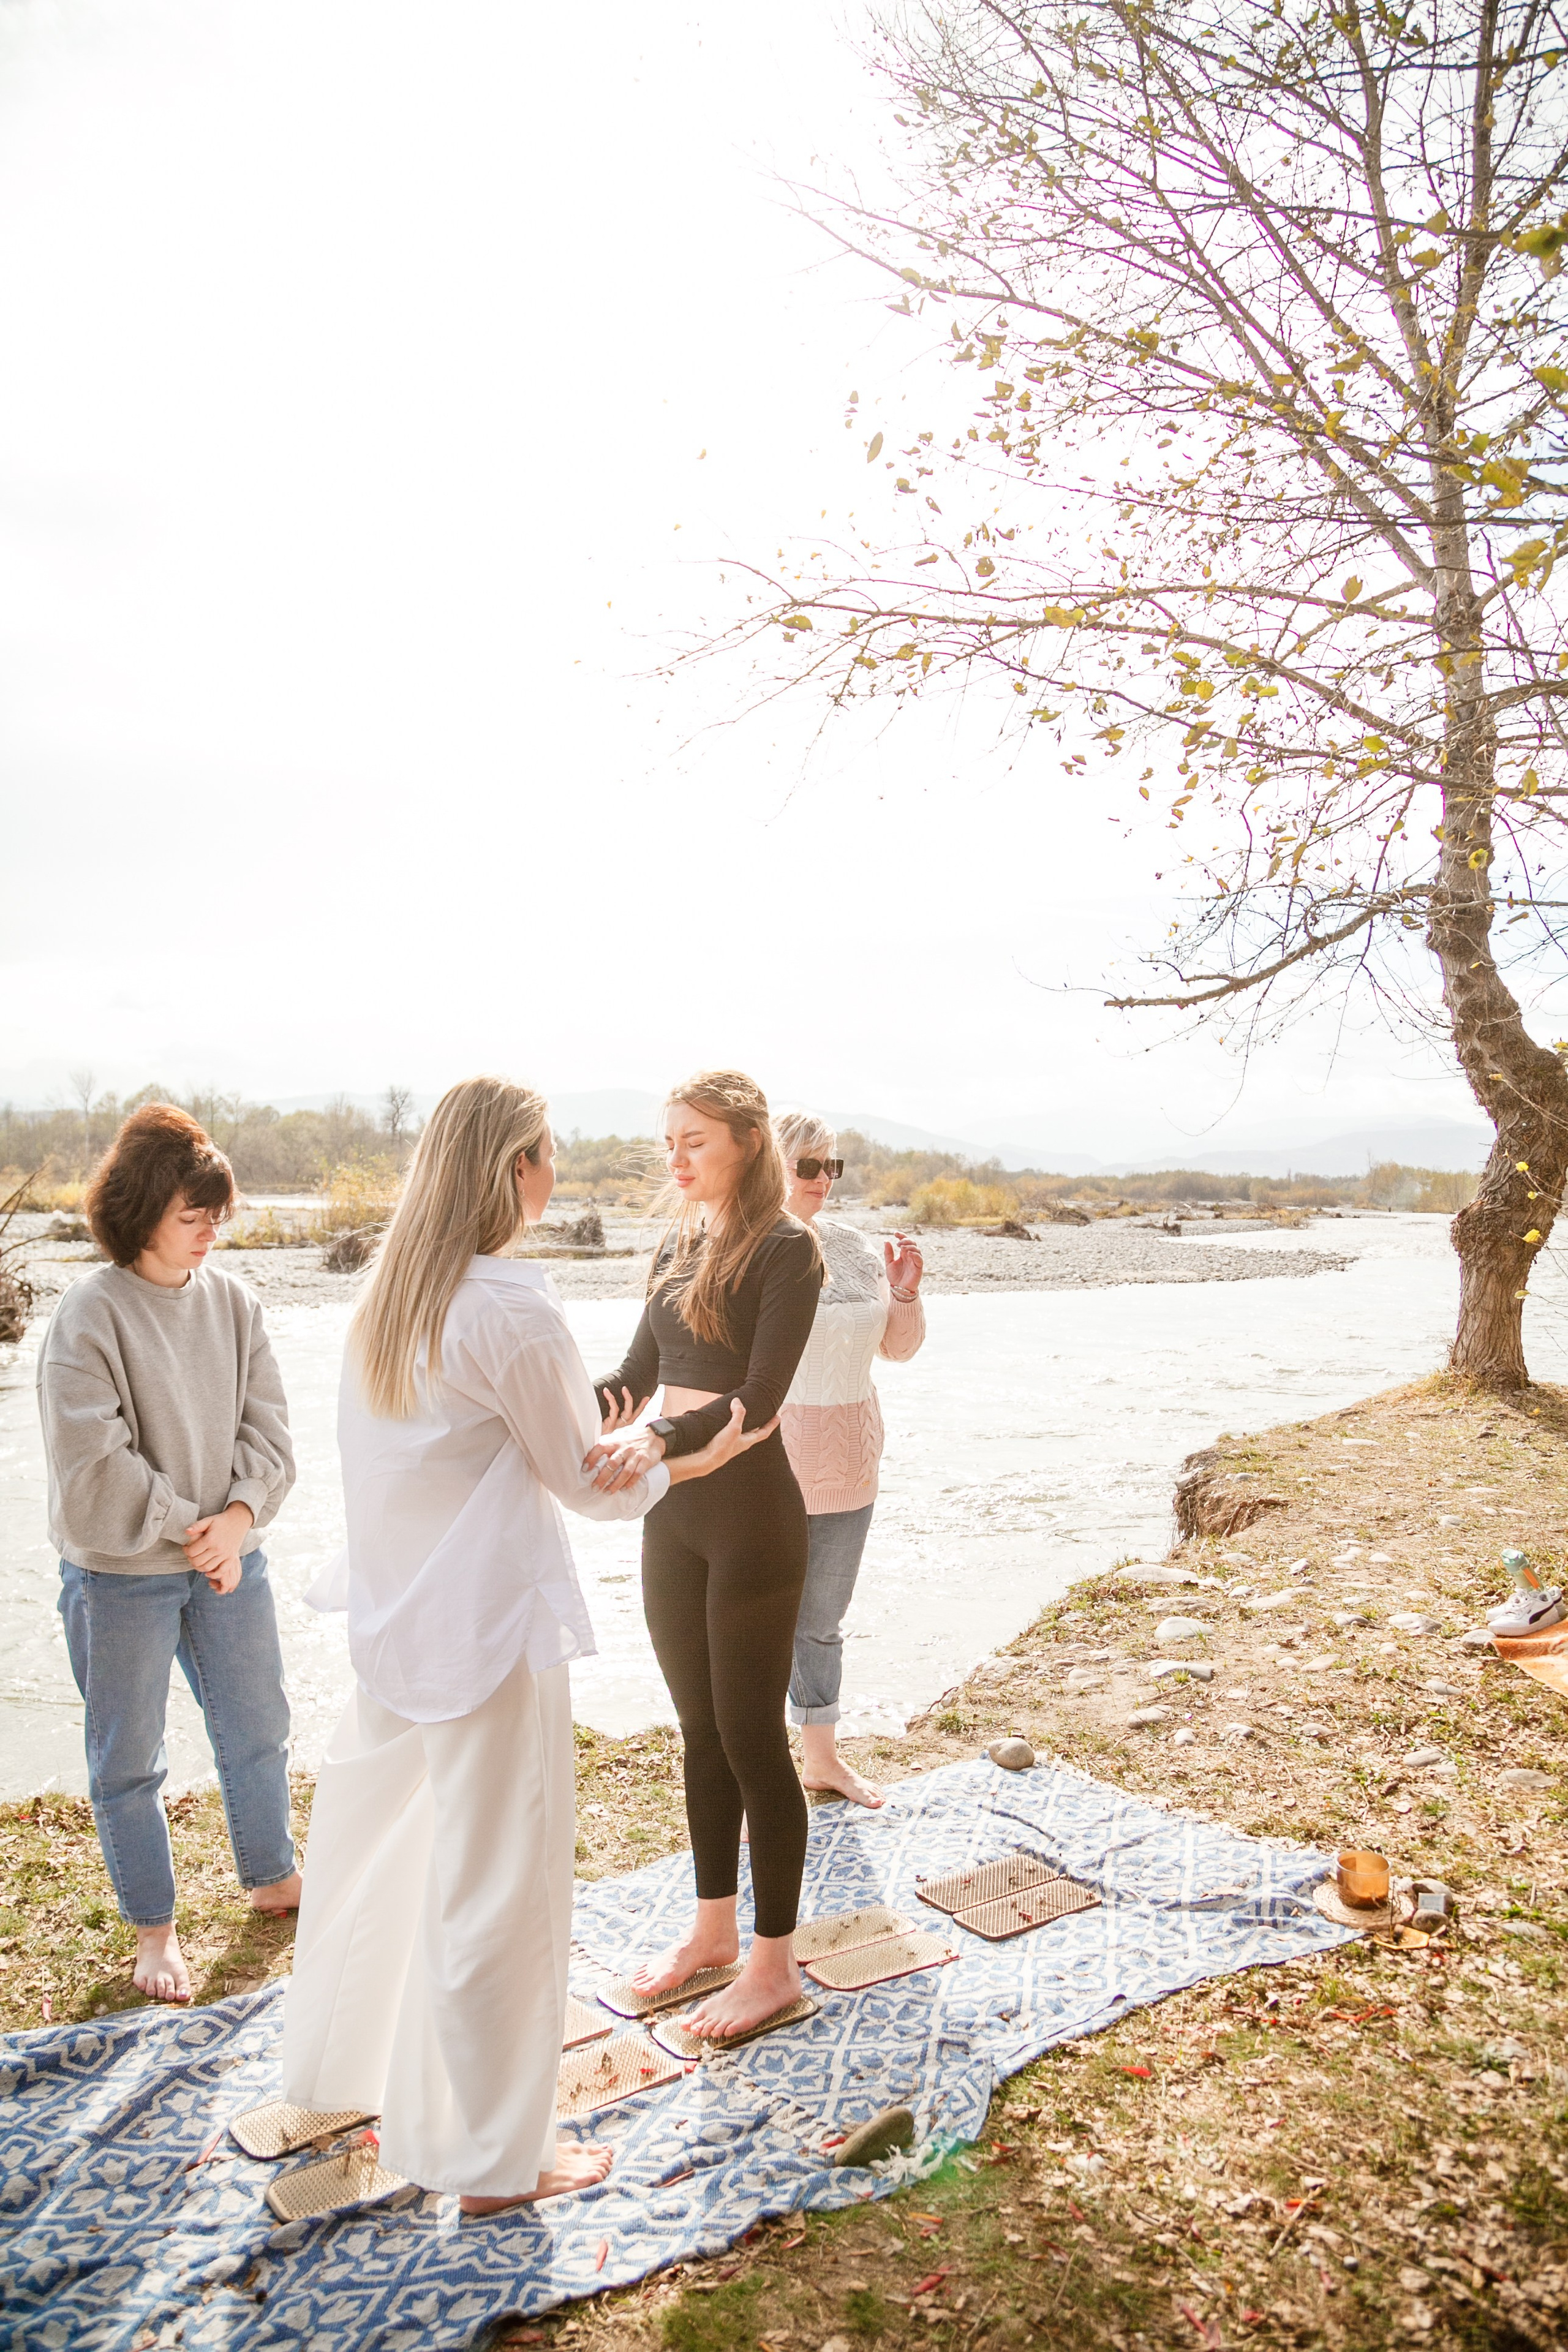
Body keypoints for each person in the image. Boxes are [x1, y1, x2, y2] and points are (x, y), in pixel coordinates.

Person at [280, 1077, 771, 2216]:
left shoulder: (392, 1300)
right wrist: (693, 1452)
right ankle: (502, 2162)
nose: (558, 1167)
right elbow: (585, 1485)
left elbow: (477, 1451)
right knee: (498, 1888)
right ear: (512, 1169)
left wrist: (597, 1430)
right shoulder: (508, 1306)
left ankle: (348, 2075)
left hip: (394, 1619)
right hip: (485, 1631)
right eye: (547, 1151)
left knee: (384, 1856)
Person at [36, 1104, 300, 2007]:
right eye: (194, 1216)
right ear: (144, 1209)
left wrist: (237, 1521)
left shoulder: (235, 1303)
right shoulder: (88, 1315)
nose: (210, 1233)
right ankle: (156, 1928)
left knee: (258, 1725)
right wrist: (203, 1528)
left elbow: (271, 1435)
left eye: (218, 1216)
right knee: (128, 1759)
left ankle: (272, 1876)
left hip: (229, 1556)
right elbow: (92, 1467)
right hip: (120, 1576)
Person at [594, 1071, 823, 2042]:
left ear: (746, 1140)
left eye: (695, 1140)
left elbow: (757, 1403)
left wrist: (654, 1442)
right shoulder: (677, 1243)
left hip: (753, 1525)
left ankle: (775, 1967)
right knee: (700, 1734)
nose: (676, 1157)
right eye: (670, 1141)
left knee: (751, 1736)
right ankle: (713, 1936)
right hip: (673, 1522)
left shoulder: (786, 1250)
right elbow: (636, 1380)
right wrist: (539, 1402)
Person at [773, 1112, 925, 1809]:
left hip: (850, 1464)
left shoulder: (857, 1247)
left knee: (821, 1621)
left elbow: (896, 1350)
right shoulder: (747, 1247)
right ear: (769, 1164)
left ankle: (822, 1760)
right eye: (809, 1166)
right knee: (755, 1623)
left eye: (832, 1166)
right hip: (764, 1468)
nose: (823, 1181)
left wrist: (903, 1292)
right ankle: (759, 1771)